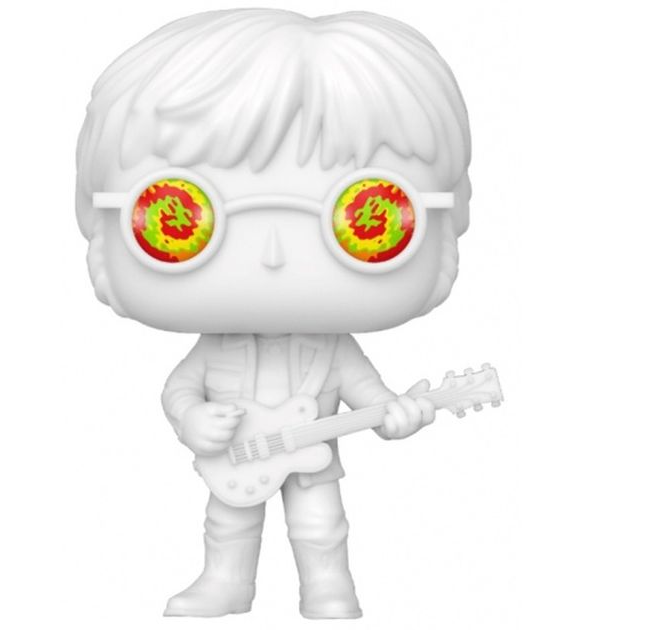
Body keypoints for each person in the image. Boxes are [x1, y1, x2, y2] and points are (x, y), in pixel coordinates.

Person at [75, 9, 472, 618]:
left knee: (320, 524)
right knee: (227, 522)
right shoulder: (216, 347)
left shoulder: (333, 349)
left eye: (369, 218)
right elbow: (179, 389)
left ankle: (329, 586)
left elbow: (371, 394)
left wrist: (399, 413)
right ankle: (226, 583)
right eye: (176, 217)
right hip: (237, 460)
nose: (273, 256)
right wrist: (191, 420)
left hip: (312, 461)